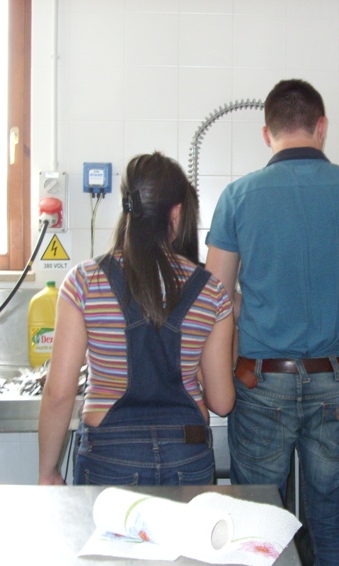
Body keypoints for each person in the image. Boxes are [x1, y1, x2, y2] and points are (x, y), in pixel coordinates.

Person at [205, 79, 339, 566]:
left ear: (267, 133)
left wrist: (252, 316)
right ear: (321, 127)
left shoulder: (238, 197)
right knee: (335, 528)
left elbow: (215, 298)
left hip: (262, 383)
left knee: (256, 529)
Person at [38, 152, 235, 487]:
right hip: (186, 452)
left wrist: (47, 472)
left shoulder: (83, 281)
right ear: (177, 212)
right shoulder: (211, 291)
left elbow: (58, 394)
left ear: (127, 206)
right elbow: (222, 402)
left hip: (108, 454)